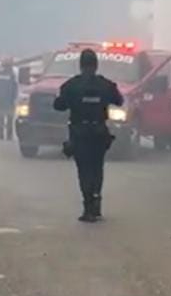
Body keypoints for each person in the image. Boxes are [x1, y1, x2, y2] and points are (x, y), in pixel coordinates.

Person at [53, 48, 123, 222]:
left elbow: (58, 105)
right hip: (99, 133)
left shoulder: (71, 85)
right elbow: (119, 101)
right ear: (96, 65)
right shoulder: (106, 85)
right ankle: (96, 200)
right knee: (97, 167)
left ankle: (88, 207)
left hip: (79, 134)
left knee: (83, 170)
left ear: (80, 65)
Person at [0, 57, 19, 141]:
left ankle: (1, 135)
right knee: (10, 119)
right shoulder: (12, 75)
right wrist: (14, 98)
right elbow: (15, 88)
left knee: (0, 119)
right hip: (10, 101)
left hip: (0, 100)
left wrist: (0, 90)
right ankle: (9, 136)